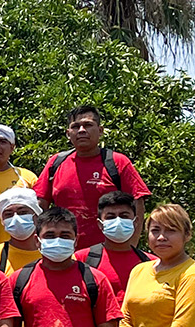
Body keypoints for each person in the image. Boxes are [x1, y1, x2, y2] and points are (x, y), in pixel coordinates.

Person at [33, 105, 151, 249]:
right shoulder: (56, 163)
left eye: (88, 125)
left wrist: (132, 244)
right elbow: (40, 205)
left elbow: (138, 201)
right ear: (68, 133)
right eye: (76, 126)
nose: (82, 130)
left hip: (109, 251)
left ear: (100, 131)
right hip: (64, 251)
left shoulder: (117, 162)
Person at [75, 190, 154, 305]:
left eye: (124, 216)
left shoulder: (151, 263)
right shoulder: (81, 259)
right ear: (100, 224)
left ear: (135, 221)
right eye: (111, 217)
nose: (118, 221)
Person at [0, 187, 43, 274]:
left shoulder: (53, 252)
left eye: (23, 212)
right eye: (9, 214)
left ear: (37, 215)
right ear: (2, 221)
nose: (16, 218)